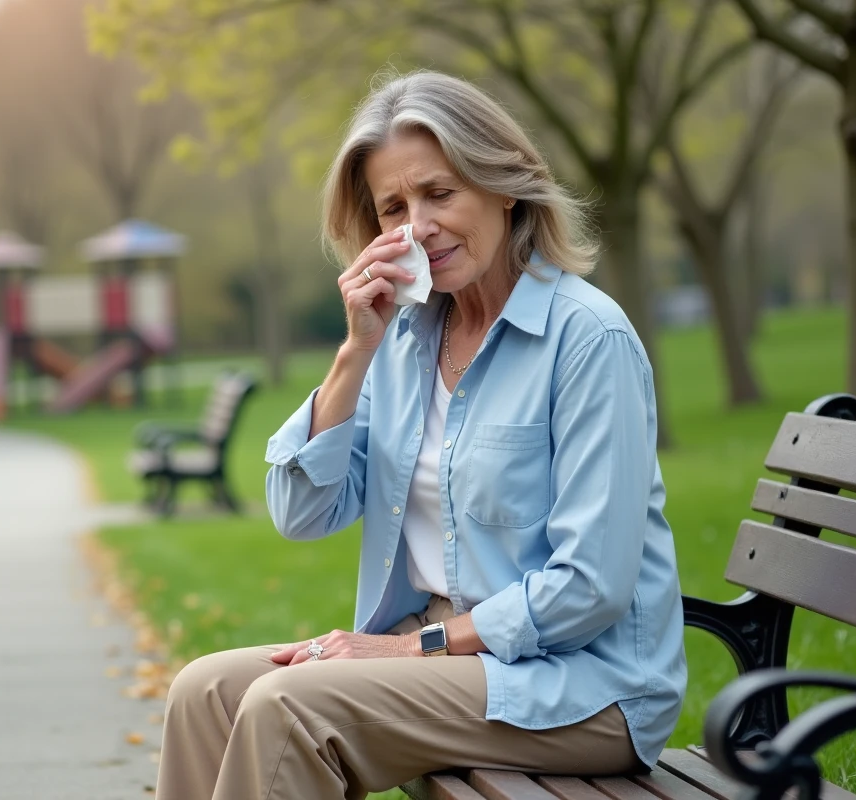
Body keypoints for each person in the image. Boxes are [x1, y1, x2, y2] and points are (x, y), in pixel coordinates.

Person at [156, 70, 686, 800]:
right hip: (443, 658)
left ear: (504, 186)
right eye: (393, 208)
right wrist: (355, 352)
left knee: (289, 709)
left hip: (584, 686)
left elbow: (590, 587)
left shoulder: (588, 339)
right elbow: (302, 511)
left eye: (440, 193)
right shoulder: (404, 342)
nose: (418, 226)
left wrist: (410, 647)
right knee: (203, 691)